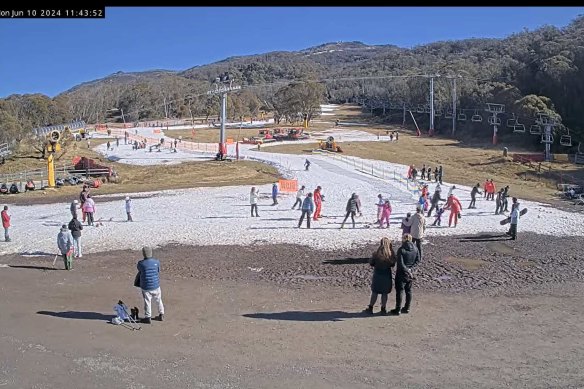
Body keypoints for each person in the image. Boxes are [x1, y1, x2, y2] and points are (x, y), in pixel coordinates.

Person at [364, 238, 396, 315]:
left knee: (375, 292)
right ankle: (383, 308)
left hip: (378, 275)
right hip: (386, 275)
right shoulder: (391, 254)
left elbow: (371, 263)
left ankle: (371, 307)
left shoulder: (376, 254)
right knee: (384, 293)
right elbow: (393, 264)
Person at [390, 234, 420, 316]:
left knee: (400, 291)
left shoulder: (401, 249)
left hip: (401, 273)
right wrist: (411, 269)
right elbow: (418, 260)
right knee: (409, 291)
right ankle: (407, 307)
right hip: (410, 273)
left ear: (403, 239)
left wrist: (406, 270)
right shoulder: (415, 248)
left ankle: (398, 309)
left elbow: (400, 263)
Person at [136, 246, 165, 324]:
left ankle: (148, 317)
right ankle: (161, 314)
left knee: (147, 301)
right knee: (159, 300)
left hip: (146, 286)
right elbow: (158, 271)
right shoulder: (157, 262)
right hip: (156, 285)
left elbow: (139, 270)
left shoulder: (141, 263)